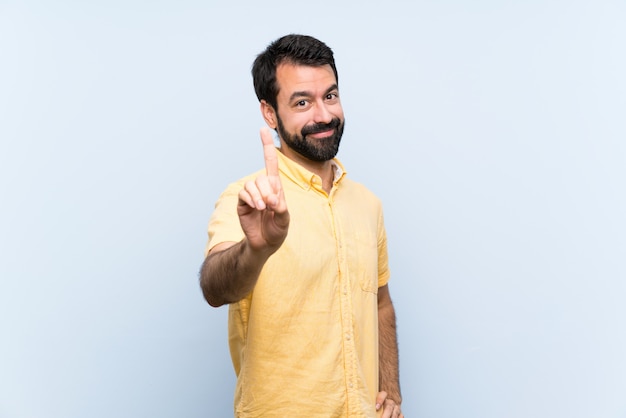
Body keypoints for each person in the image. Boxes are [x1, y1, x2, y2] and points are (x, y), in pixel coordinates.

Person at [199, 34, 403, 418]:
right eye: (302, 102)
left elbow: (380, 303)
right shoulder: (248, 198)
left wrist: (390, 391)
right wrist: (255, 248)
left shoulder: (367, 204)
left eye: (330, 96)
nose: (323, 115)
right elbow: (214, 287)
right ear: (270, 113)